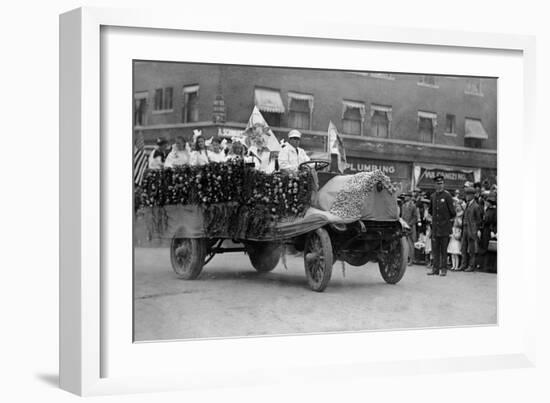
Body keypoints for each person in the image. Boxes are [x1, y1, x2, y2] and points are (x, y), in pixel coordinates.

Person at [428, 175, 456, 276]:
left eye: (441, 184)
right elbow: (430, 211)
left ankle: (443, 269)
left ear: (443, 184)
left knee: (444, 250)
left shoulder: (447, 196)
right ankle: (435, 269)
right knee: (435, 250)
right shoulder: (433, 196)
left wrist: (447, 222)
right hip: (435, 228)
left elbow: (453, 212)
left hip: (444, 228)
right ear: (434, 185)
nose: (440, 186)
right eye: (438, 184)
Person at [459, 187, 483, 272]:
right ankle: (463, 264)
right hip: (465, 228)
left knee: (471, 249)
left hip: (471, 229)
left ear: (472, 195)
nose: (467, 196)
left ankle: (471, 265)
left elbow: (479, 220)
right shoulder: (468, 204)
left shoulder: (476, 206)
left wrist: (475, 229)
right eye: (466, 194)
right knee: (463, 247)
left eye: (468, 194)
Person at [479, 191, 497, 271]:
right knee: (484, 247)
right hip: (485, 230)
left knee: (488, 248)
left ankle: (488, 267)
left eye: (488, 201)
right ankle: (484, 266)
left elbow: (495, 222)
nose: (487, 202)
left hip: (490, 230)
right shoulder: (488, 210)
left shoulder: (495, 210)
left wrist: (493, 230)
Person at [401, 192, 419, 265]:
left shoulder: (413, 206)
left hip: (411, 227)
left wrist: (409, 224)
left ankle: (411, 260)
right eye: (405, 196)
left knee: (411, 243)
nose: (405, 197)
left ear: (410, 197)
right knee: (404, 243)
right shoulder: (403, 205)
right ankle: (405, 259)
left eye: (407, 196)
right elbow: (402, 216)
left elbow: (415, 217)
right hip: (404, 226)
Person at [447, 202, 464, 271]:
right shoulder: (455, 215)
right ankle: (453, 265)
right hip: (453, 231)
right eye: (456, 206)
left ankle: (457, 265)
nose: (457, 208)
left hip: (458, 231)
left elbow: (460, 224)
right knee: (452, 252)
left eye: (458, 206)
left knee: (456, 251)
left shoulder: (462, 215)